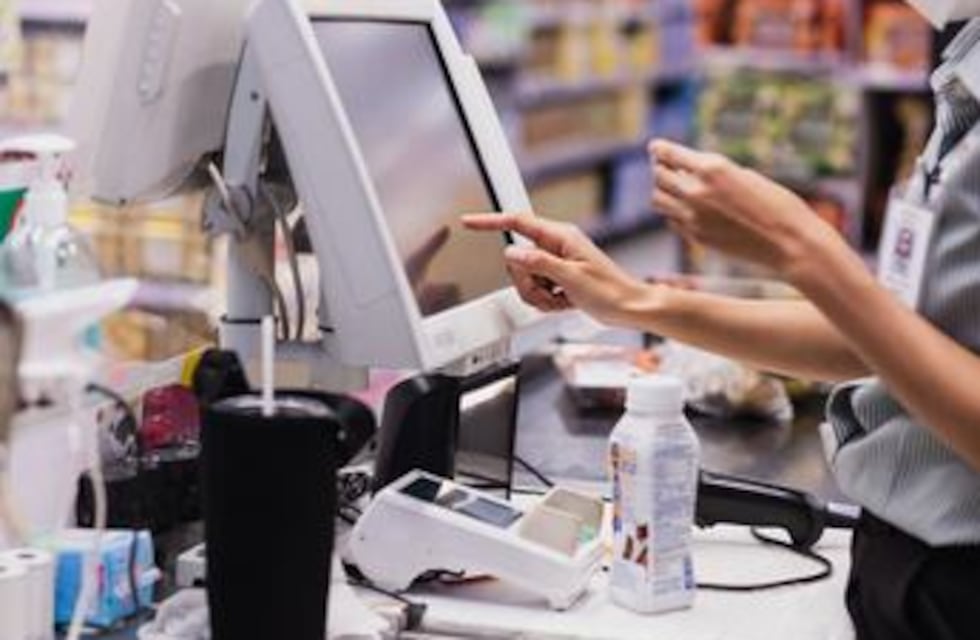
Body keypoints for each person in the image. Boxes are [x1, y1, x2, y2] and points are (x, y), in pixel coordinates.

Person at [464, 4, 980, 639]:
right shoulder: (965, 65)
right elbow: (901, 338)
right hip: (902, 564)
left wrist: (802, 250)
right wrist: (632, 300)